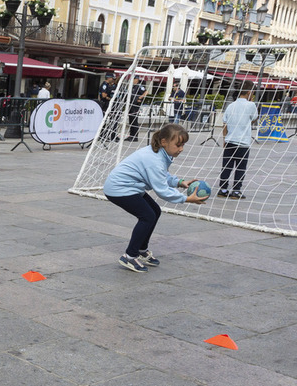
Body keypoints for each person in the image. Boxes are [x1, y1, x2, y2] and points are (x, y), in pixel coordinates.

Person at [103, 123, 205, 272]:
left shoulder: (159, 153)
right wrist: (186, 199)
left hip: (131, 187)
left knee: (155, 211)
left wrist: (180, 182)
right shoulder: (154, 160)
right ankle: (129, 256)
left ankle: (141, 249)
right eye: (178, 145)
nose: (181, 149)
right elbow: (162, 190)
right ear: (164, 142)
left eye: (183, 145)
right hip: (119, 189)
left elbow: (163, 176)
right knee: (147, 216)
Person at [219, 82, 260, 199]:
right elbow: (254, 119)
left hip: (230, 141)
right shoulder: (251, 105)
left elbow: (224, 124)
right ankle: (236, 191)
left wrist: (224, 139)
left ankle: (223, 189)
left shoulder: (231, 106)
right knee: (240, 167)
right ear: (249, 92)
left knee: (226, 166)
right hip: (243, 142)